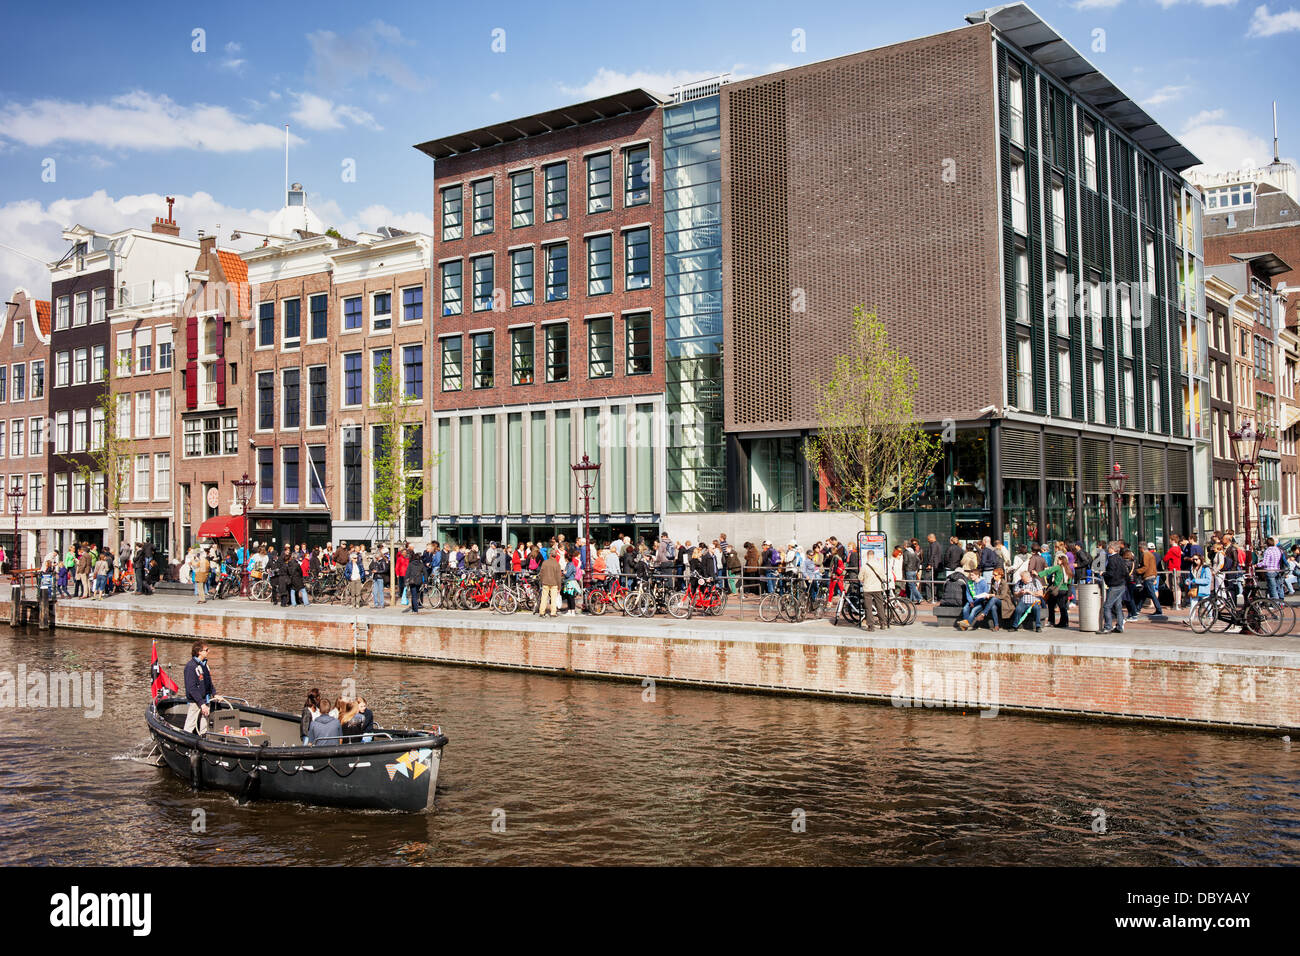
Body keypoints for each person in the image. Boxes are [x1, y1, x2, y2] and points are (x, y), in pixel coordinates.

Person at [182, 641, 223, 734]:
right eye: (206, 650)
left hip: (206, 699)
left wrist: (215, 694)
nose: (209, 651)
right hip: (196, 701)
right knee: (190, 725)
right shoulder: (191, 667)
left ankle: (203, 738)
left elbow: (208, 682)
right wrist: (201, 704)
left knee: (204, 724)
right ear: (199, 652)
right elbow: (191, 688)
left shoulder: (205, 665)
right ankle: (185, 741)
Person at [1100, 542, 1129, 634]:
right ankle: (1120, 626)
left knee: (1107, 606)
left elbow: (1111, 573)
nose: (1108, 549)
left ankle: (1108, 626)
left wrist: (1103, 573)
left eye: (1109, 548)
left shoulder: (1112, 559)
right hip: (1121, 584)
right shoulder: (1120, 558)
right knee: (1118, 606)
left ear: (1112, 548)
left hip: (1114, 585)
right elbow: (1125, 572)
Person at [858, 549, 888, 630]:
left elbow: (860, 578)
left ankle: (871, 625)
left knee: (868, 607)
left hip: (867, 589)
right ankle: (882, 624)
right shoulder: (880, 565)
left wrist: (864, 579)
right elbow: (883, 576)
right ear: (873, 555)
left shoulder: (864, 566)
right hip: (878, 588)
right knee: (880, 606)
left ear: (868, 556)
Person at [1041, 550, 1070, 628]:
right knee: (1063, 607)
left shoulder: (1058, 567)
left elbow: (1048, 571)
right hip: (1065, 590)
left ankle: (1052, 621)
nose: (1057, 561)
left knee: (1051, 605)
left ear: (1061, 560)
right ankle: (1065, 622)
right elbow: (1069, 581)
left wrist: (1039, 574)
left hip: (1057, 590)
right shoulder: (1067, 568)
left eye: (1058, 560)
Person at [1184, 554, 1212, 627]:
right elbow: (1190, 578)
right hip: (1194, 590)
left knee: (1207, 605)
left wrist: (1196, 580)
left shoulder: (1206, 568)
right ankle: (1190, 620)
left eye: (1196, 559)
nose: (1195, 561)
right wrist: (1187, 581)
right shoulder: (1192, 568)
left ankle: (1210, 618)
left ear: (1200, 559)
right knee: (1193, 604)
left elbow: (1208, 580)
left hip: (1203, 590)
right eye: (1193, 559)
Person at [538, 549, 563, 617]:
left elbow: (541, 573)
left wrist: (542, 581)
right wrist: (559, 586)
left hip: (545, 582)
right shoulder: (557, 564)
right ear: (555, 556)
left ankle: (542, 611)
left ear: (550, 555)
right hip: (554, 583)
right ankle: (553, 612)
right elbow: (558, 577)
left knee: (544, 598)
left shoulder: (545, 562)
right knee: (553, 598)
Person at [1260, 537, 1284, 601]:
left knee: (1272, 588)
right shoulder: (1278, 549)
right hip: (1277, 570)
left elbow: (1265, 563)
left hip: (1270, 571)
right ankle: (1281, 602)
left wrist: (1257, 564)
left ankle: (1276, 604)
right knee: (1278, 587)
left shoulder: (1268, 550)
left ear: (1267, 543)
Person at [403, 546, 426, 613]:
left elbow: (407, 573)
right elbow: (425, 573)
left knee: (413, 595)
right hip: (419, 581)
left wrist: (405, 581)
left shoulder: (410, 564)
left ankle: (415, 609)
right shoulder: (421, 564)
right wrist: (426, 582)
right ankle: (414, 608)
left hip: (412, 581)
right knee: (417, 595)